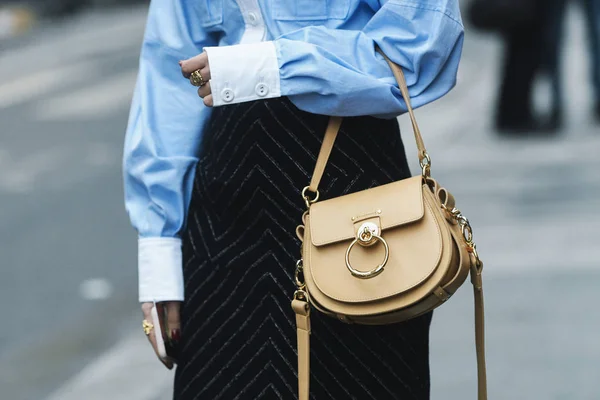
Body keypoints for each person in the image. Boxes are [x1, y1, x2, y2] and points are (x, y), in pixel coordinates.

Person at [123, 0, 464, 398]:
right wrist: (159, 250)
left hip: (348, 175)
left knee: (360, 381)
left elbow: (422, 39)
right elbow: (168, 75)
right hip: (225, 201)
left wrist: (276, 63)